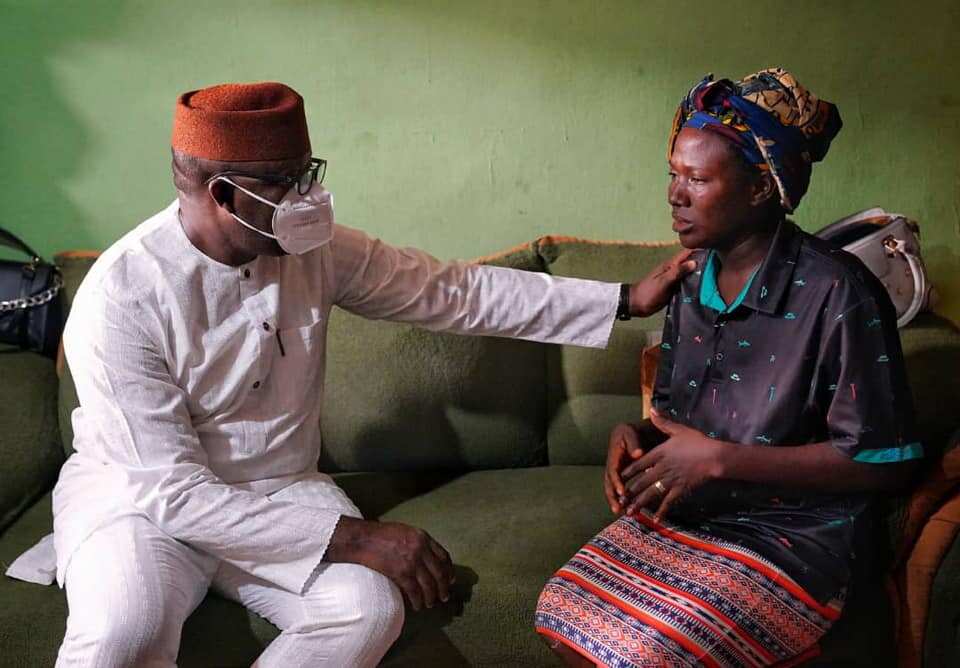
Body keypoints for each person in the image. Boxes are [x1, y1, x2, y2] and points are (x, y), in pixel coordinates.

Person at [23, 82, 694, 667]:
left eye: (307, 171)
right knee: (120, 633)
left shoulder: (311, 250)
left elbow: (449, 292)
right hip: (142, 506)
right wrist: (358, 536)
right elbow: (171, 492)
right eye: (287, 181)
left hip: (277, 489)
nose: (308, 195)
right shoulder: (122, 297)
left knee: (368, 608)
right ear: (223, 195)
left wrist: (622, 299)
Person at [535, 68, 923, 668]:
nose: (674, 193)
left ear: (761, 189)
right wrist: (636, 437)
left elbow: (882, 462)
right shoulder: (690, 280)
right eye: (673, 173)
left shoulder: (839, 292)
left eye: (698, 178)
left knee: (642, 650)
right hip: (694, 512)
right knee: (561, 610)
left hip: (799, 536)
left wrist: (719, 460)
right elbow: (683, 421)